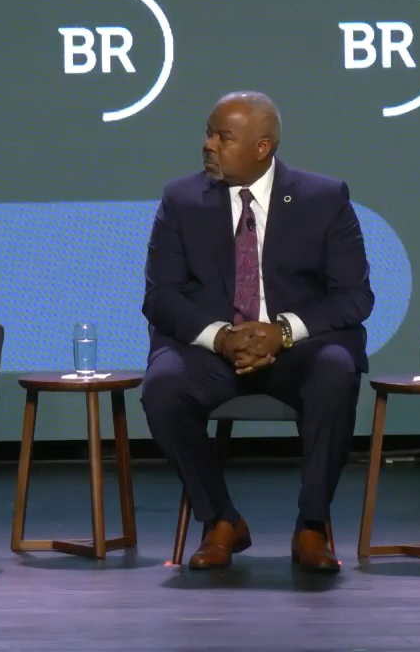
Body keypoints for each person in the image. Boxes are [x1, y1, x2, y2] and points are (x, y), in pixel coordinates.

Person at [139, 92, 374, 572]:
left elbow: (354, 297)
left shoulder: (323, 199)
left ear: (263, 146)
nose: (208, 145)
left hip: (298, 349)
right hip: (211, 350)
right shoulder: (181, 200)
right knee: (163, 390)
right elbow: (160, 296)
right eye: (208, 133)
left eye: (222, 137)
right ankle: (221, 519)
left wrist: (283, 331)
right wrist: (222, 337)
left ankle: (311, 526)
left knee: (335, 372)